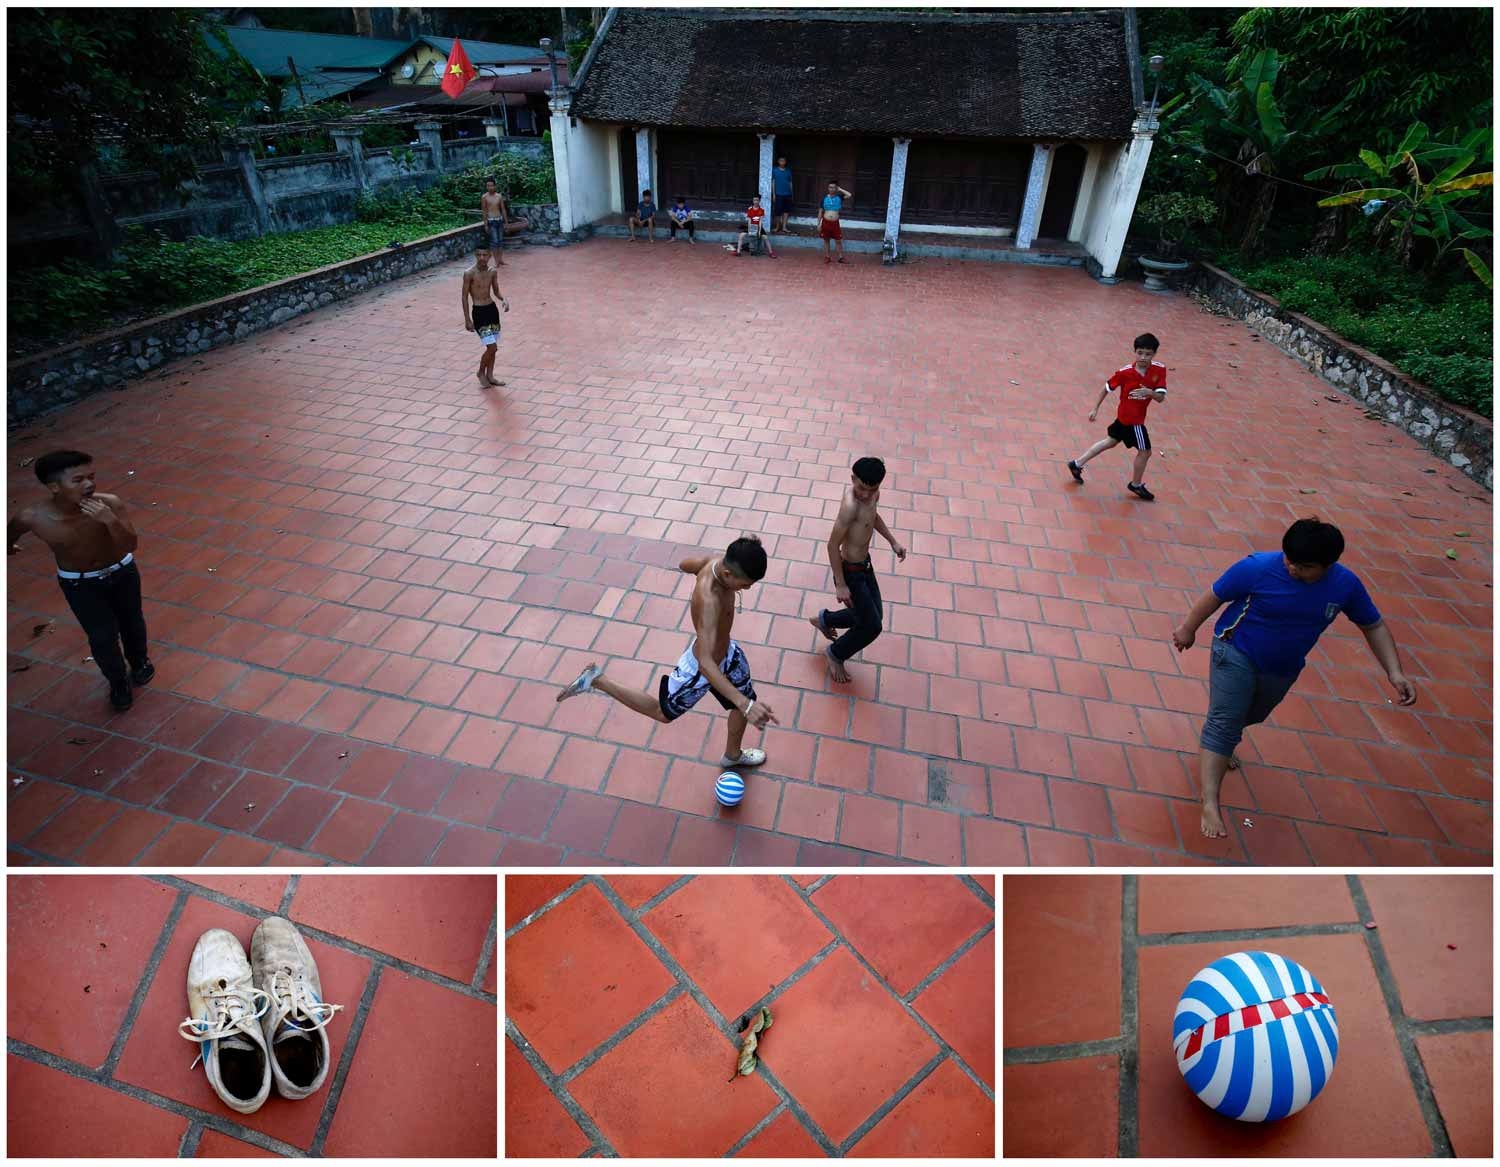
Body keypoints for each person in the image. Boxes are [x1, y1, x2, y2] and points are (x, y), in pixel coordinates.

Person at [1171, 517, 1418, 840]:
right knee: (1224, 721)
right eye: (1288, 560)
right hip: (1235, 651)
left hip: (1284, 667)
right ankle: (1210, 801)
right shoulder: (1257, 567)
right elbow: (1214, 595)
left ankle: (1222, 739)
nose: (1292, 569)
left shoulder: (1346, 586)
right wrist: (1188, 628)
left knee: (1253, 714)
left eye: (1304, 566)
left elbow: (1373, 625)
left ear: (1328, 566)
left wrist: (1394, 672)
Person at [556, 536, 780, 772]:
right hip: (702, 669)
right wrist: (744, 703)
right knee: (662, 713)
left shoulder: (713, 562)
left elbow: (685, 564)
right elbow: (705, 664)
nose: (747, 589)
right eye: (745, 584)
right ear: (726, 574)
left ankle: (732, 755)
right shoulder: (709, 600)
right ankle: (598, 680)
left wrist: (744, 703)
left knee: (744, 701)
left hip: (728, 654)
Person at [7, 450, 152, 710]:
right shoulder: (33, 517)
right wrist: (9, 547)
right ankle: (118, 682)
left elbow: (131, 543)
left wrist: (109, 521)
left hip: (122, 572)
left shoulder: (110, 503)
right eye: (78, 480)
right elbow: (10, 533)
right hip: (80, 584)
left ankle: (140, 662)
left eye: (91, 477)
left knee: (132, 622)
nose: (89, 484)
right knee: (102, 636)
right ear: (54, 487)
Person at [808, 457, 907, 683]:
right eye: (861, 487)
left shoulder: (872, 495)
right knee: (872, 626)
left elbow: (872, 517)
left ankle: (825, 619)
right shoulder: (850, 507)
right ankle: (836, 653)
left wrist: (892, 541)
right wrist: (841, 584)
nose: (865, 494)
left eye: (871, 490)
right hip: (849, 572)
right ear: (853, 479)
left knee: (873, 616)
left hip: (865, 565)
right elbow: (832, 546)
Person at [1067, 332, 1166, 500]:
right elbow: (1106, 388)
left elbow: (1161, 398)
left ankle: (1076, 464)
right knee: (1145, 452)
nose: (1143, 357)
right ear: (1135, 352)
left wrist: (1149, 392)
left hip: (1125, 419)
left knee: (1110, 442)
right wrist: (1095, 409)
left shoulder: (1160, 369)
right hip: (1132, 422)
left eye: (1148, 354)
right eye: (1140, 352)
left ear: (1154, 354)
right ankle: (1135, 485)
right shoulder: (1124, 372)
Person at [461, 244, 510, 388]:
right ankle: (480, 372)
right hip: (479, 312)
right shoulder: (469, 273)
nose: (482, 258)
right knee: (492, 347)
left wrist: (504, 299)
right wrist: (467, 319)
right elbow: (464, 296)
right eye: (478, 255)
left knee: (493, 347)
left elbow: (496, 291)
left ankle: (490, 375)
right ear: (475, 255)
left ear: (489, 256)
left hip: (491, 310)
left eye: (485, 255)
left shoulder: (492, 271)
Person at [818, 180, 852, 264]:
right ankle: (827, 257)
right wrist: (818, 224)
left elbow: (849, 195)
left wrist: (840, 189)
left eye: (833, 187)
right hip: (825, 222)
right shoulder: (824, 199)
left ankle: (841, 257)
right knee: (826, 240)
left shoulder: (839, 197)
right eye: (830, 187)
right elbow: (820, 212)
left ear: (836, 188)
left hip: (835, 223)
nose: (831, 189)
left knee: (838, 240)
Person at [479, 177, 509, 264]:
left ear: (495, 186)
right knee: (494, 242)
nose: (490, 187)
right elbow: (484, 211)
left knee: (500, 241)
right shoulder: (484, 197)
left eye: (491, 185)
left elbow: (503, 209)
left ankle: (500, 259)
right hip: (491, 221)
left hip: (499, 220)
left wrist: (506, 222)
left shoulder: (499, 196)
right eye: (488, 186)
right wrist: (485, 224)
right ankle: (496, 261)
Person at [771, 156, 794, 233]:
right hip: (778, 194)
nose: (782, 162)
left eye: (783, 161)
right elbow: (773, 182)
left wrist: (792, 193)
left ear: (785, 162)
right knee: (778, 211)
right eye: (781, 160)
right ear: (778, 161)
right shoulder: (775, 170)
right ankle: (777, 227)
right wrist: (773, 194)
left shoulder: (788, 171)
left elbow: (790, 182)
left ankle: (784, 227)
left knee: (786, 211)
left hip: (787, 194)